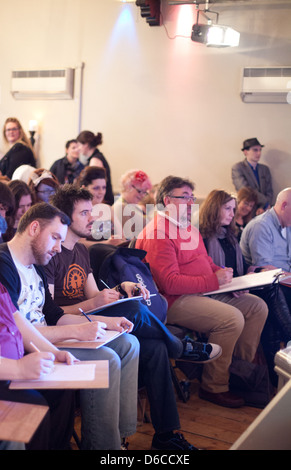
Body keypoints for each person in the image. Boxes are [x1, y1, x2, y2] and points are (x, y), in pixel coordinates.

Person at [45, 184, 220, 450]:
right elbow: (52, 315)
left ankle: (166, 435)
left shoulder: (81, 249)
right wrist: (96, 302)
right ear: (65, 218)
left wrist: (120, 289)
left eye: (92, 211)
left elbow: (95, 294)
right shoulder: (51, 253)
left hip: (94, 319)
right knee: (138, 312)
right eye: (84, 213)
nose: (92, 218)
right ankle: (180, 347)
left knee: (155, 347)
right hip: (72, 328)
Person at [0, 202, 140, 450]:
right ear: (34, 228)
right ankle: (102, 446)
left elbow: (47, 315)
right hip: (22, 353)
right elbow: (16, 329)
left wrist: (103, 323)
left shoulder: (38, 265)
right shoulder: (5, 264)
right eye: (54, 238)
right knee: (106, 360)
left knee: (127, 343)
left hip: (40, 343)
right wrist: (72, 334)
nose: (57, 248)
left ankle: (109, 441)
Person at [136, 175, 268, 408]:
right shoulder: (158, 232)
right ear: (167, 201)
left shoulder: (187, 228)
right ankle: (215, 386)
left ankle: (239, 372)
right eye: (184, 197)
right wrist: (214, 281)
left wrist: (225, 276)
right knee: (231, 318)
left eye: (191, 197)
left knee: (256, 306)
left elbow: (205, 261)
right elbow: (170, 284)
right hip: (172, 302)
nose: (190, 202)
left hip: (202, 292)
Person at [199, 189, 291, 386]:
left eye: (233, 209)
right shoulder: (202, 237)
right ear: (214, 208)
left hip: (235, 287)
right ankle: (287, 341)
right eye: (228, 208)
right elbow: (205, 273)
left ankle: (243, 369)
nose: (233, 214)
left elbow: (236, 269)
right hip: (212, 292)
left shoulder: (230, 236)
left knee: (261, 305)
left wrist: (247, 275)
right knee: (269, 294)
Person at [0, 281, 76, 450]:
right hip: (6, 372)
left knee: (62, 388)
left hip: (13, 370)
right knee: (33, 405)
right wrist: (18, 368)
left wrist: (55, 353)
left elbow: (20, 324)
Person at [240, 187, 291, 309]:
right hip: (269, 285)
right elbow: (264, 269)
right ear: (284, 206)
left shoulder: (287, 225)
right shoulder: (261, 226)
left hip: (284, 279)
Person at [77, 166, 125, 246]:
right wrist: (106, 243)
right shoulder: (80, 212)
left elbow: (122, 237)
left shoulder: (108, 208)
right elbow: (80, 244)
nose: (101, 192)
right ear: (84, 188)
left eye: (104, 187)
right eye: (96, 188)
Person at [231, 138, 273, 213]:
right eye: (255, 150)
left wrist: (263, 207)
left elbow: (269, 191)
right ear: (245, 152)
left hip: (264, 210)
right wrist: (265, 203)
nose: (259, 153)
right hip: (246, 210)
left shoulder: (265, 169)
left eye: (260, 150)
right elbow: (245, 190)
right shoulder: (238, 168)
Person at [113, 169, 152, 240]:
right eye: (140, 191)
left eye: (145, 192)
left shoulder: (135, 206)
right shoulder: (120, 207)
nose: (143, 195)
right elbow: (127, 239)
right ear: (128, 187)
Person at [76, 131, 114, 205]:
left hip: (102, 202)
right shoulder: (97, 157)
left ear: (86, 145)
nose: (78, 149)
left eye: (79, 145)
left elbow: (96, 184)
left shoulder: (95, 160)